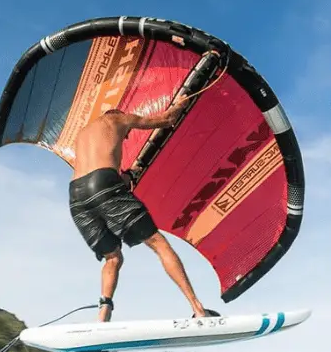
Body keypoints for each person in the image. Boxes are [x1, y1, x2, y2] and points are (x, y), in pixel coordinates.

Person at [68, 96, 218, 322]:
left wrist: (126, 176)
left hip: (76, 196)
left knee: (113, 257)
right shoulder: (119, 119)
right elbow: (167, 119)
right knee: (159, 244)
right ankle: (198, 309)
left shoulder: (83, 134)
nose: (125, 137)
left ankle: (102, 318)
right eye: (127, 135)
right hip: (104, 183)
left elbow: (95, 171)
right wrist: (183, 102)